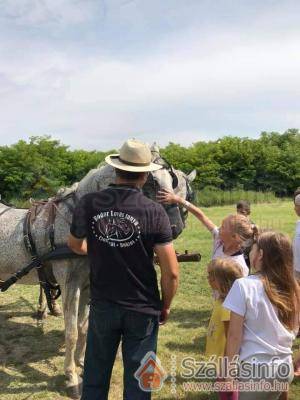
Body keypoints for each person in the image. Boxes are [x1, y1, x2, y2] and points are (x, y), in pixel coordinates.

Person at [68, 139, 179, 400]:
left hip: (103, 305)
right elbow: (171, 272)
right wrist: (167, 305)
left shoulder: (89, 203)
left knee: (94, 377)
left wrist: (99, 248)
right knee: (139, 382)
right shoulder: (154, 211)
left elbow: (74, 244)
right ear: (145, 175)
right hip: (143, 308)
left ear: (115, 170)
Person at [224, 231, 300, 400]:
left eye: (252, 249)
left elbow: (234, 335)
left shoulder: (243, 286)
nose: (249, 252)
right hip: (283, 369)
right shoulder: (294, 289)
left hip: (254, 371)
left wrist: (228, 374)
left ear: (260, 255)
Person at [157, 190, 254, 276]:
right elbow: (201, 215)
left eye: (223, 227)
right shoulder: (219, 239)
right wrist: (178, 200)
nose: (219, 228)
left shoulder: (240, 267)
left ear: (234, 236)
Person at [205, 258, 243, 400]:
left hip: (225, 358)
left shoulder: (229, 306)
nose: (207, 278)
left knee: (227, 387)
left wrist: (229, 366)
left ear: (221, 281)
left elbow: (231, 335)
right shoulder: (221, 300)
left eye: (211, 276)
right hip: (220, 357)